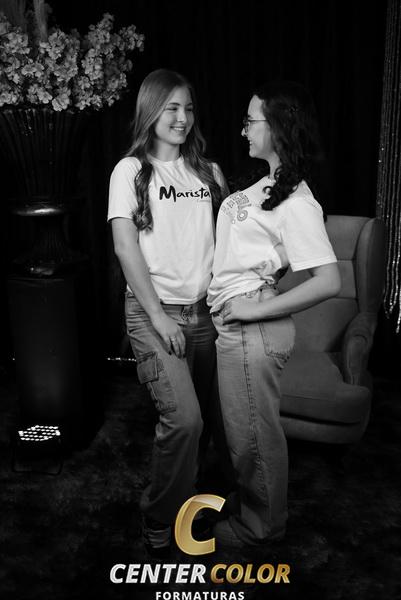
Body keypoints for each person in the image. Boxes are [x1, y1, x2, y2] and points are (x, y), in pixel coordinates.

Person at [207, 80, 341, 548]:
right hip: (239, 327)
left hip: (253, 331)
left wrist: (251, 310)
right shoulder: (268, 185)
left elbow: (328, 281)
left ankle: (260, 530)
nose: (244, 130)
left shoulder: (298, 201)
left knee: (254, 439)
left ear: (278, 126)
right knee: (242, 434)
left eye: (251, 121)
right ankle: (253, 507)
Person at [107, 68, 229, 556]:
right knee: (184, 421)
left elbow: (225, 247)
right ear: (151, 110)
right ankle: (158, 519)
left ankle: (187, 504)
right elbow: (124, 246)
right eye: (172, 108)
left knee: (208, 425)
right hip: (154, 313)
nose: (182, 118)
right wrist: (159, 317)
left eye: (189, 108)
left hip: (206, 313)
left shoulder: (209, 173)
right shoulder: (131, 171)